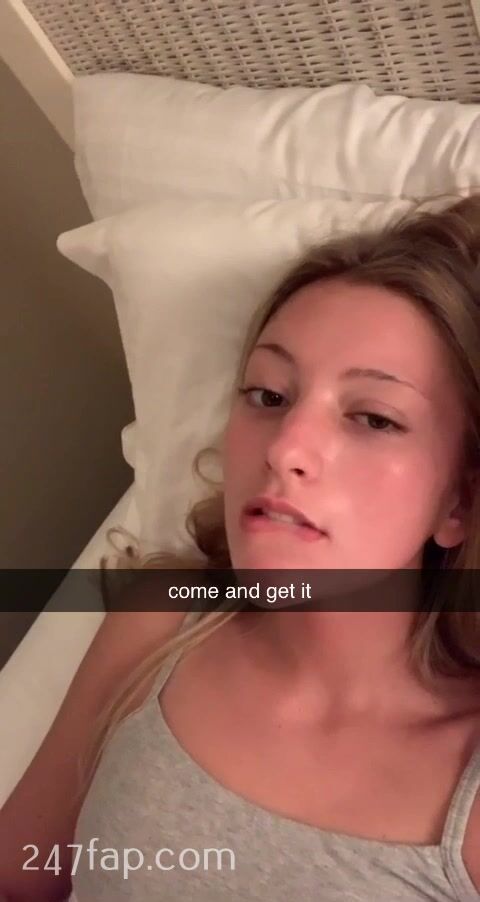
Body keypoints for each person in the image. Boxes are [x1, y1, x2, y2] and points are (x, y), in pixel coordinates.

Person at [2, 194, 480, 902]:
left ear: (458, 502)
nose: (285, 449)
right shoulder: (162, 624)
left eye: (374, 418)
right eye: (268, 395)